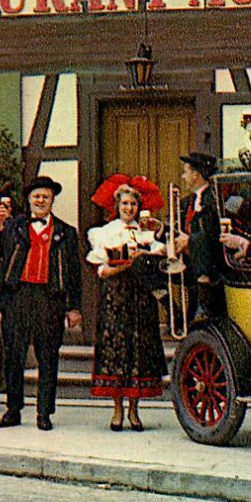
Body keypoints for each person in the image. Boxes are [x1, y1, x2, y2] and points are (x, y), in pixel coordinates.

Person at [0, 175, 82, 431]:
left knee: (48, 357)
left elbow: (74, 274)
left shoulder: (66, 232)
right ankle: (13, 409)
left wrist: (74, 307)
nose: (41, 200)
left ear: (52, 201)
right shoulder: (13, 226)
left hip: (50, 299)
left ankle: (44, 412)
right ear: (29, 200)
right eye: (37, 196)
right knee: (14, 355)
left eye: (46, 197)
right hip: (18, 297)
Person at [86, 174, 168, 432]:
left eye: (133, 204)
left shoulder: (148, 233)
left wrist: (148, 251)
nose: (129, 209)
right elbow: (103, 269)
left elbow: (159, 259)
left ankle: (134, 410)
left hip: (141, 297)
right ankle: (117, 409)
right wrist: (127, 262)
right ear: (117, 206)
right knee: (117, 352)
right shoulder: (106, 233)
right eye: (124, 205)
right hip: (116, 297)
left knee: (139, 353)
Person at [170, 151, 223, 322]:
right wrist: (158, 229)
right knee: (143, 264)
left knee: (199, 239)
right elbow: (176, 230)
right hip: (187, 262)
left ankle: (205, 306)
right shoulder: (186, 202)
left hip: (211, 264)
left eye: (186, 172)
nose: (183, 176)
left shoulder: (216, 198)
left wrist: (190, 241)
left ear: (196, 175)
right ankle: (170, 306)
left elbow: (214, 234)